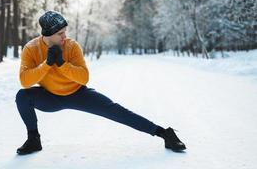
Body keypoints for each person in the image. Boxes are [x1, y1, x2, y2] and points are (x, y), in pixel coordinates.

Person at [15, 11, 186, 155]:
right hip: (50, 98)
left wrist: (61, 64)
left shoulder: (72, 46)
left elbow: (84, 77)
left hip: (78, 94)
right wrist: (46, 65)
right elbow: (25, 81)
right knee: (22, 96)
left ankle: (164, 134)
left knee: (117, 111)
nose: (64, 36)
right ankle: (33, 139)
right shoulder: (31, 49)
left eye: (65, 32)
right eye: (60, 33)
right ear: (47, 34)